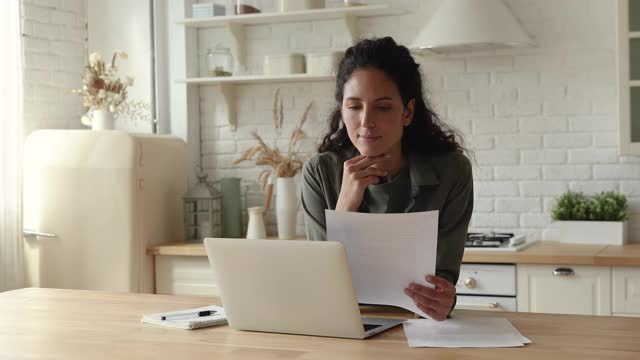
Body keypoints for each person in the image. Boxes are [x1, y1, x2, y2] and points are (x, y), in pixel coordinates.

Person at [301, 37, 474, 321]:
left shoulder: (452, 171)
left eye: (382, 107)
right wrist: (345, 204)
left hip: (420, 326)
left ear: (407, 112)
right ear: (342, 110)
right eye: (354, 106)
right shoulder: (319, 172)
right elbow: (320, 283)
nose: (366, 121)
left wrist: (443, 300)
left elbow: (442, 279)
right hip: (343, 324)